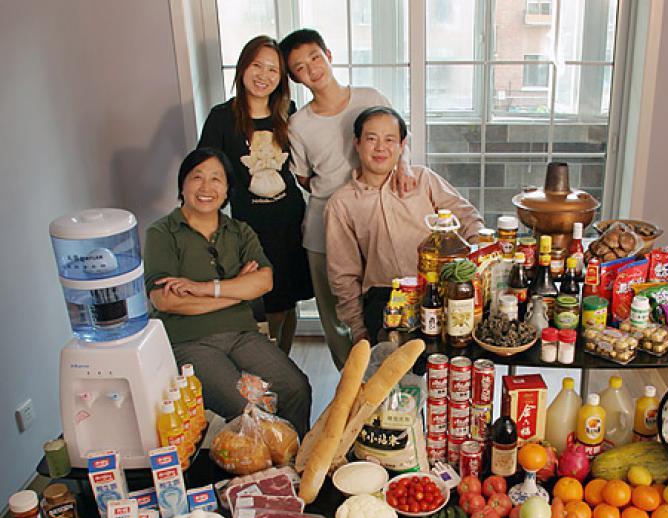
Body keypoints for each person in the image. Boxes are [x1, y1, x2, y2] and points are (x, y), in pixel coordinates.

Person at [144, 147, 312, 436]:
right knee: (247, 408)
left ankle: (297, 464)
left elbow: (265, 282)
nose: (206, 187)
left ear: (227, 191)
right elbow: (165, 300)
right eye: (197, 177)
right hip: (189, 342)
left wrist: (201, 289)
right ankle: (260, 475)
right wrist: (237, 291)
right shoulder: (162, 233)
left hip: (242, 335)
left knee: (296, 387)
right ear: (182, 185)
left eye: (216, 179)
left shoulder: (240, 231)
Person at [278, 29, 416, 368]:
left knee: (384, 306)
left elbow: (398, 139)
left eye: (314, 57)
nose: (311, 69)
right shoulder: (298, 123)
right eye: (299, 67)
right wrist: (337, 196)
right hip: (323, 229)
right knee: (337, 317)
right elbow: (302, 176)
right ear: (293, 76)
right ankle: (351, 383)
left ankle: (394, 378)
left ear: (329, 53)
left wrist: (404, 166)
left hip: (376, 222)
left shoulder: (368, 96)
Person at [326, 107, 484, 344]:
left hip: (441, 291)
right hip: (385, 299)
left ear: (402, 146)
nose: (380, 148)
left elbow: (468, 218)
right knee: (393, 373)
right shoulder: (342, 203)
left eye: (389, 140)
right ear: (357, 144)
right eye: (371, 139)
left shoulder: (423, 180)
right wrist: (358, 329)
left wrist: (477, 257)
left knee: (450, 364)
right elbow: (343, 275)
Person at [197, 35, 312, 355]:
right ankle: (269, 366)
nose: (263, 75)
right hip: (249, 227)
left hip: (290, 219)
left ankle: (283, 363)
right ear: (243, 67)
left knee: (288, 300)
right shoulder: (222, 116)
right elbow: (206, 170)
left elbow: (304, 162)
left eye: (273, 70)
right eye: (256, 66)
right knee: (264, 302)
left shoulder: (288, 111)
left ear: (282, 77)